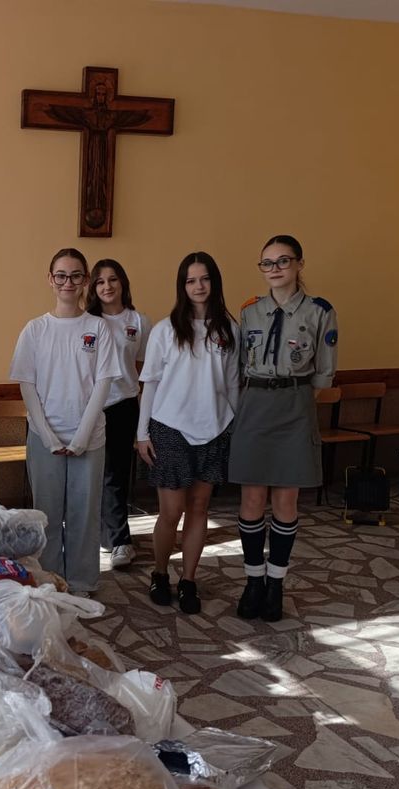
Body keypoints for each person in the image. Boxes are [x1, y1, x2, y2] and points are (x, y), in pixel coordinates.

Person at [228, 235, 337, 621]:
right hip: (255, 405)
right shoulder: (249, 311)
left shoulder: (320, 311)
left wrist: (295, 399)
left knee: (285, 502)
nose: (274, 269)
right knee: (251, 500)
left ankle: (276, 584)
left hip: (295, 404)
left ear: (299, 264)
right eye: (267, 263)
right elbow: (239, 366)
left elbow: (323, 374)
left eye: (283, 261)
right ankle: (253, 580)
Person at [10, 248, 118, 595]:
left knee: (84, 513)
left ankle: (83, 580)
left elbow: (103, 383)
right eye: (61, 275)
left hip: (89, 438)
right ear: (50, 279)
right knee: (47, 514)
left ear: (85, 280)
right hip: (46, 438)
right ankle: (51, 579)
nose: (67, 282)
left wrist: (82, 436)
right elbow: (27, 386)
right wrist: (48, 436)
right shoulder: (35, 330)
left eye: (75, 275)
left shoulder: (98, 328)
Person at [136, 252, 239, 614]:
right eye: (191, 280)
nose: (198, 286)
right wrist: (142, 433)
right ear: (182, 286)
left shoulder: (229, 329)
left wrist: (235, 426)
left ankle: (189, 580)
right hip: (170, 429)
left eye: (204, 279)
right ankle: (160, 572)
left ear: (214, 282)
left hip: (215, 429)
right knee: (171, 511)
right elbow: (150, 383)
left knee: (199, 508)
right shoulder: (165, 330)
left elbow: (232, 385)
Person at [87, 259, 152, 569]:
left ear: (123, 282)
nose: (107, 286)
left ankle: (120, 541)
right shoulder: (87, 321)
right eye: (100, 281)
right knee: (90, 474)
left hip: (123, 405)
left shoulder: (138, 321)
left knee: (116, 474)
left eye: (113, 279)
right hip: (91, 407)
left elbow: (140, 368)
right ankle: (100, 534)